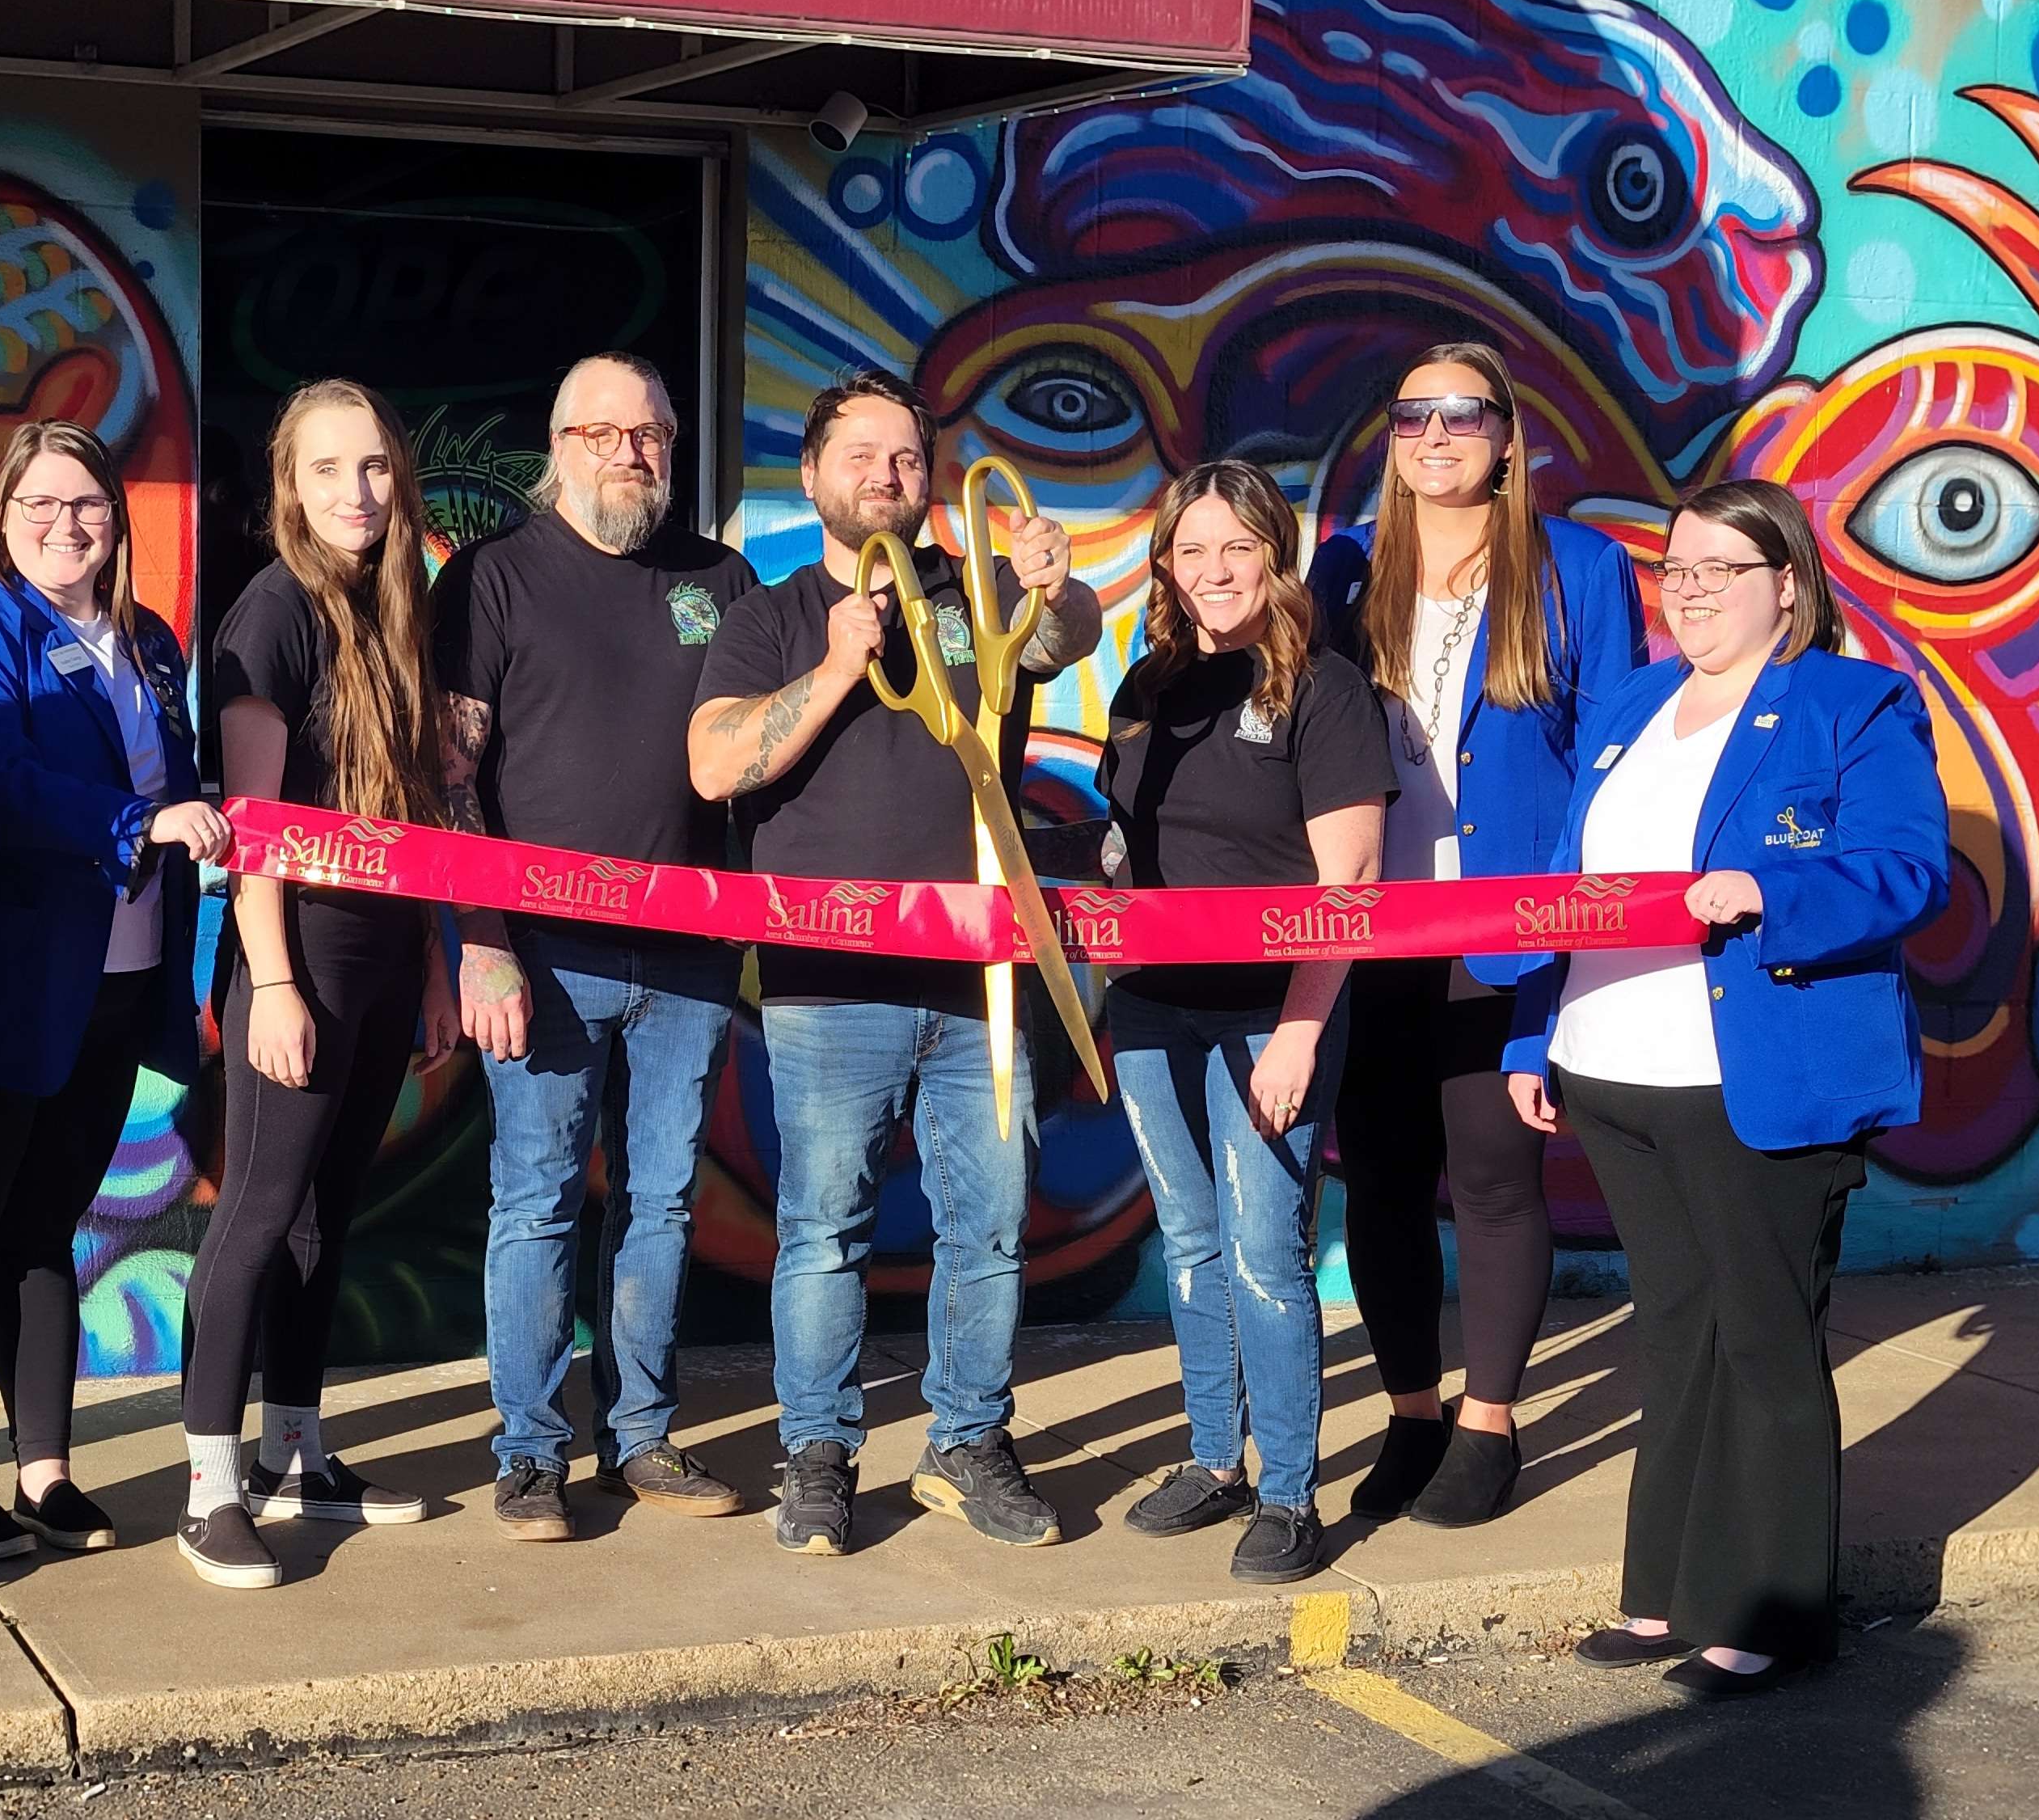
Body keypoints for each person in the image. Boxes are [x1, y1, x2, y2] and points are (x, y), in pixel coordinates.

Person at [1506, 479, 1947, 1700]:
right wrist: (1531, 1040)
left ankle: (1774, 1611)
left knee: (1763, 1339)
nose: (1689, 592)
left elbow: (1911, 872)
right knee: (1677, 1333)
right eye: (1678, 570)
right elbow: (1568, 885)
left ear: (1788, 585)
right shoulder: (1636, 702)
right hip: (1612, 1072)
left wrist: (1770, 895)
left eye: (1720, 570)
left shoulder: (1855, 705)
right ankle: (1665, 1598)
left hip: (1754, 1075)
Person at [688, 368, 1102, 1557]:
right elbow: (716, 767)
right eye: (861, 455)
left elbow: (1057, 646)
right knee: (824, 1229)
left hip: (980, 981)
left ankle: (968, 1444)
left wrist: (1051, 590)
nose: (888, 475)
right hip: (829, 990)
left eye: (909, 459)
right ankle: (818, 1454)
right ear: (812, 476)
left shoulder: (972, 593)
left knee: (993, 1225)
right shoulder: (770, 613)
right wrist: (831, 666)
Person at [1303, 341, 1646, 1530]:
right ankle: (1412, 1414)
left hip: (1505, 929)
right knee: (1384, 1186)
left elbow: (1612, 764)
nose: (1436, 434)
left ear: (1509, 437)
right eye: (1412, 416)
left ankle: (1490, 1426)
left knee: (1494, 1179)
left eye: (1464, 414)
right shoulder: (1346, 573)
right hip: (1372, 924)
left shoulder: (1582, 571)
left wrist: (1567, 947)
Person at [433, 354, 758, 1543]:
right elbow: (450, 779)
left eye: (654, 434)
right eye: (608, 433)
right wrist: (481, 943)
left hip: (690, 956)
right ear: (560, 446)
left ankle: (642, 1439)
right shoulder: (490, 581)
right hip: (545, 957)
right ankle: (529, 1454)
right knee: (537, 1204)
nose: (634, 453)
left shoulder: (721, 579)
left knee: (663, 1202)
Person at [0, 423, 233, 1563]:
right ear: (2, 513)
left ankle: (45, 1470)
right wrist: (133, 823)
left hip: (122, 978)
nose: (63, 525)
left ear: (115, 517)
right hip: (7, 985)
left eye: (86, 504)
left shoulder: (146, 638)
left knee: (48, 1231)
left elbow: (178, 779)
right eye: (38, 504)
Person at [180, 381, 460, 1591]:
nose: (357, 493)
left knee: (320, 1220)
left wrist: (441, 960)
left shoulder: (397, 610)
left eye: (376, 469)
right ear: (288, 487)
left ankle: (299, 1451)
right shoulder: (272, 613)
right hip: (300, 955)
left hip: (390, 953)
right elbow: (253, 829)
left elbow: (426, 812)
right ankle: (210, 1487)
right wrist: (277, 981)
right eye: (329, 470)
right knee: (252, 1221)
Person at [1100, 462, 1391, 1585]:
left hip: (1273, 1017)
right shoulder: (1146, 685)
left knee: (1268, 1253)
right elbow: (1128, 852)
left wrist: (1305, 1033)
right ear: (1167, 564)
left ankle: (1288, 1492)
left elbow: (1349, 887)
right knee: (1190, 1244)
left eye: (1237, 549)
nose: (1213, 571)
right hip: (1151, 1013)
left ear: (1275, 558)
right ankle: (1214, 1460)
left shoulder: (1325, 691)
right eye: (1191, 550)